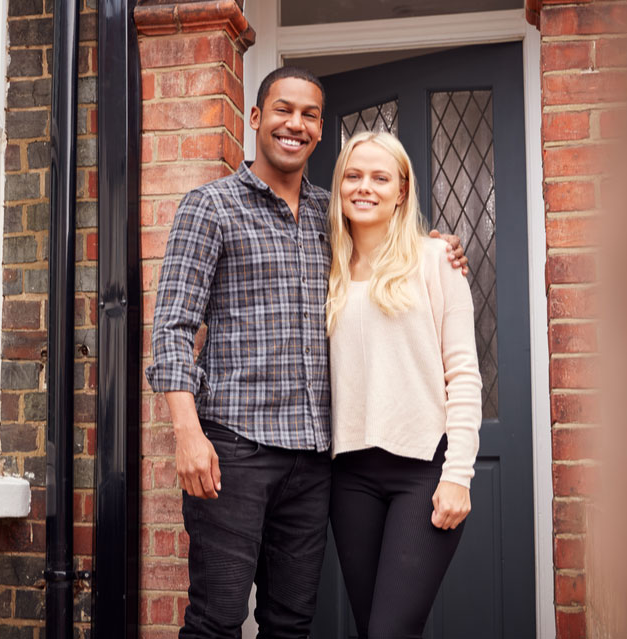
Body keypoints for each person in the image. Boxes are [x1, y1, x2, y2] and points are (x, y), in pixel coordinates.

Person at [146, 67, 467, 638]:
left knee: (290, 623)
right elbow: (172, 328)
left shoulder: (333, 217)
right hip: (235, 451)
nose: (295, 124)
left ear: (320, 131)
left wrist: (437, 245)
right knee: (216, 619)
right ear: (255, 117)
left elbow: (389, 239)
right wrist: (187, 434)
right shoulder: (210, 207)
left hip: (315, 461)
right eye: (283, 110)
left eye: (309, 115)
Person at [326, 131, 482, 638]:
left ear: (402, 188)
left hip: (423, 472)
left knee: (391, 631)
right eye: (353, 175)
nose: (364, 187)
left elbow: (463, 375)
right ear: (339, 185)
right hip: (349, 476)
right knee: (375, 628)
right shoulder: (324, 267)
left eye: (379, 177)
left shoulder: (436, 261)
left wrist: (458, 474)